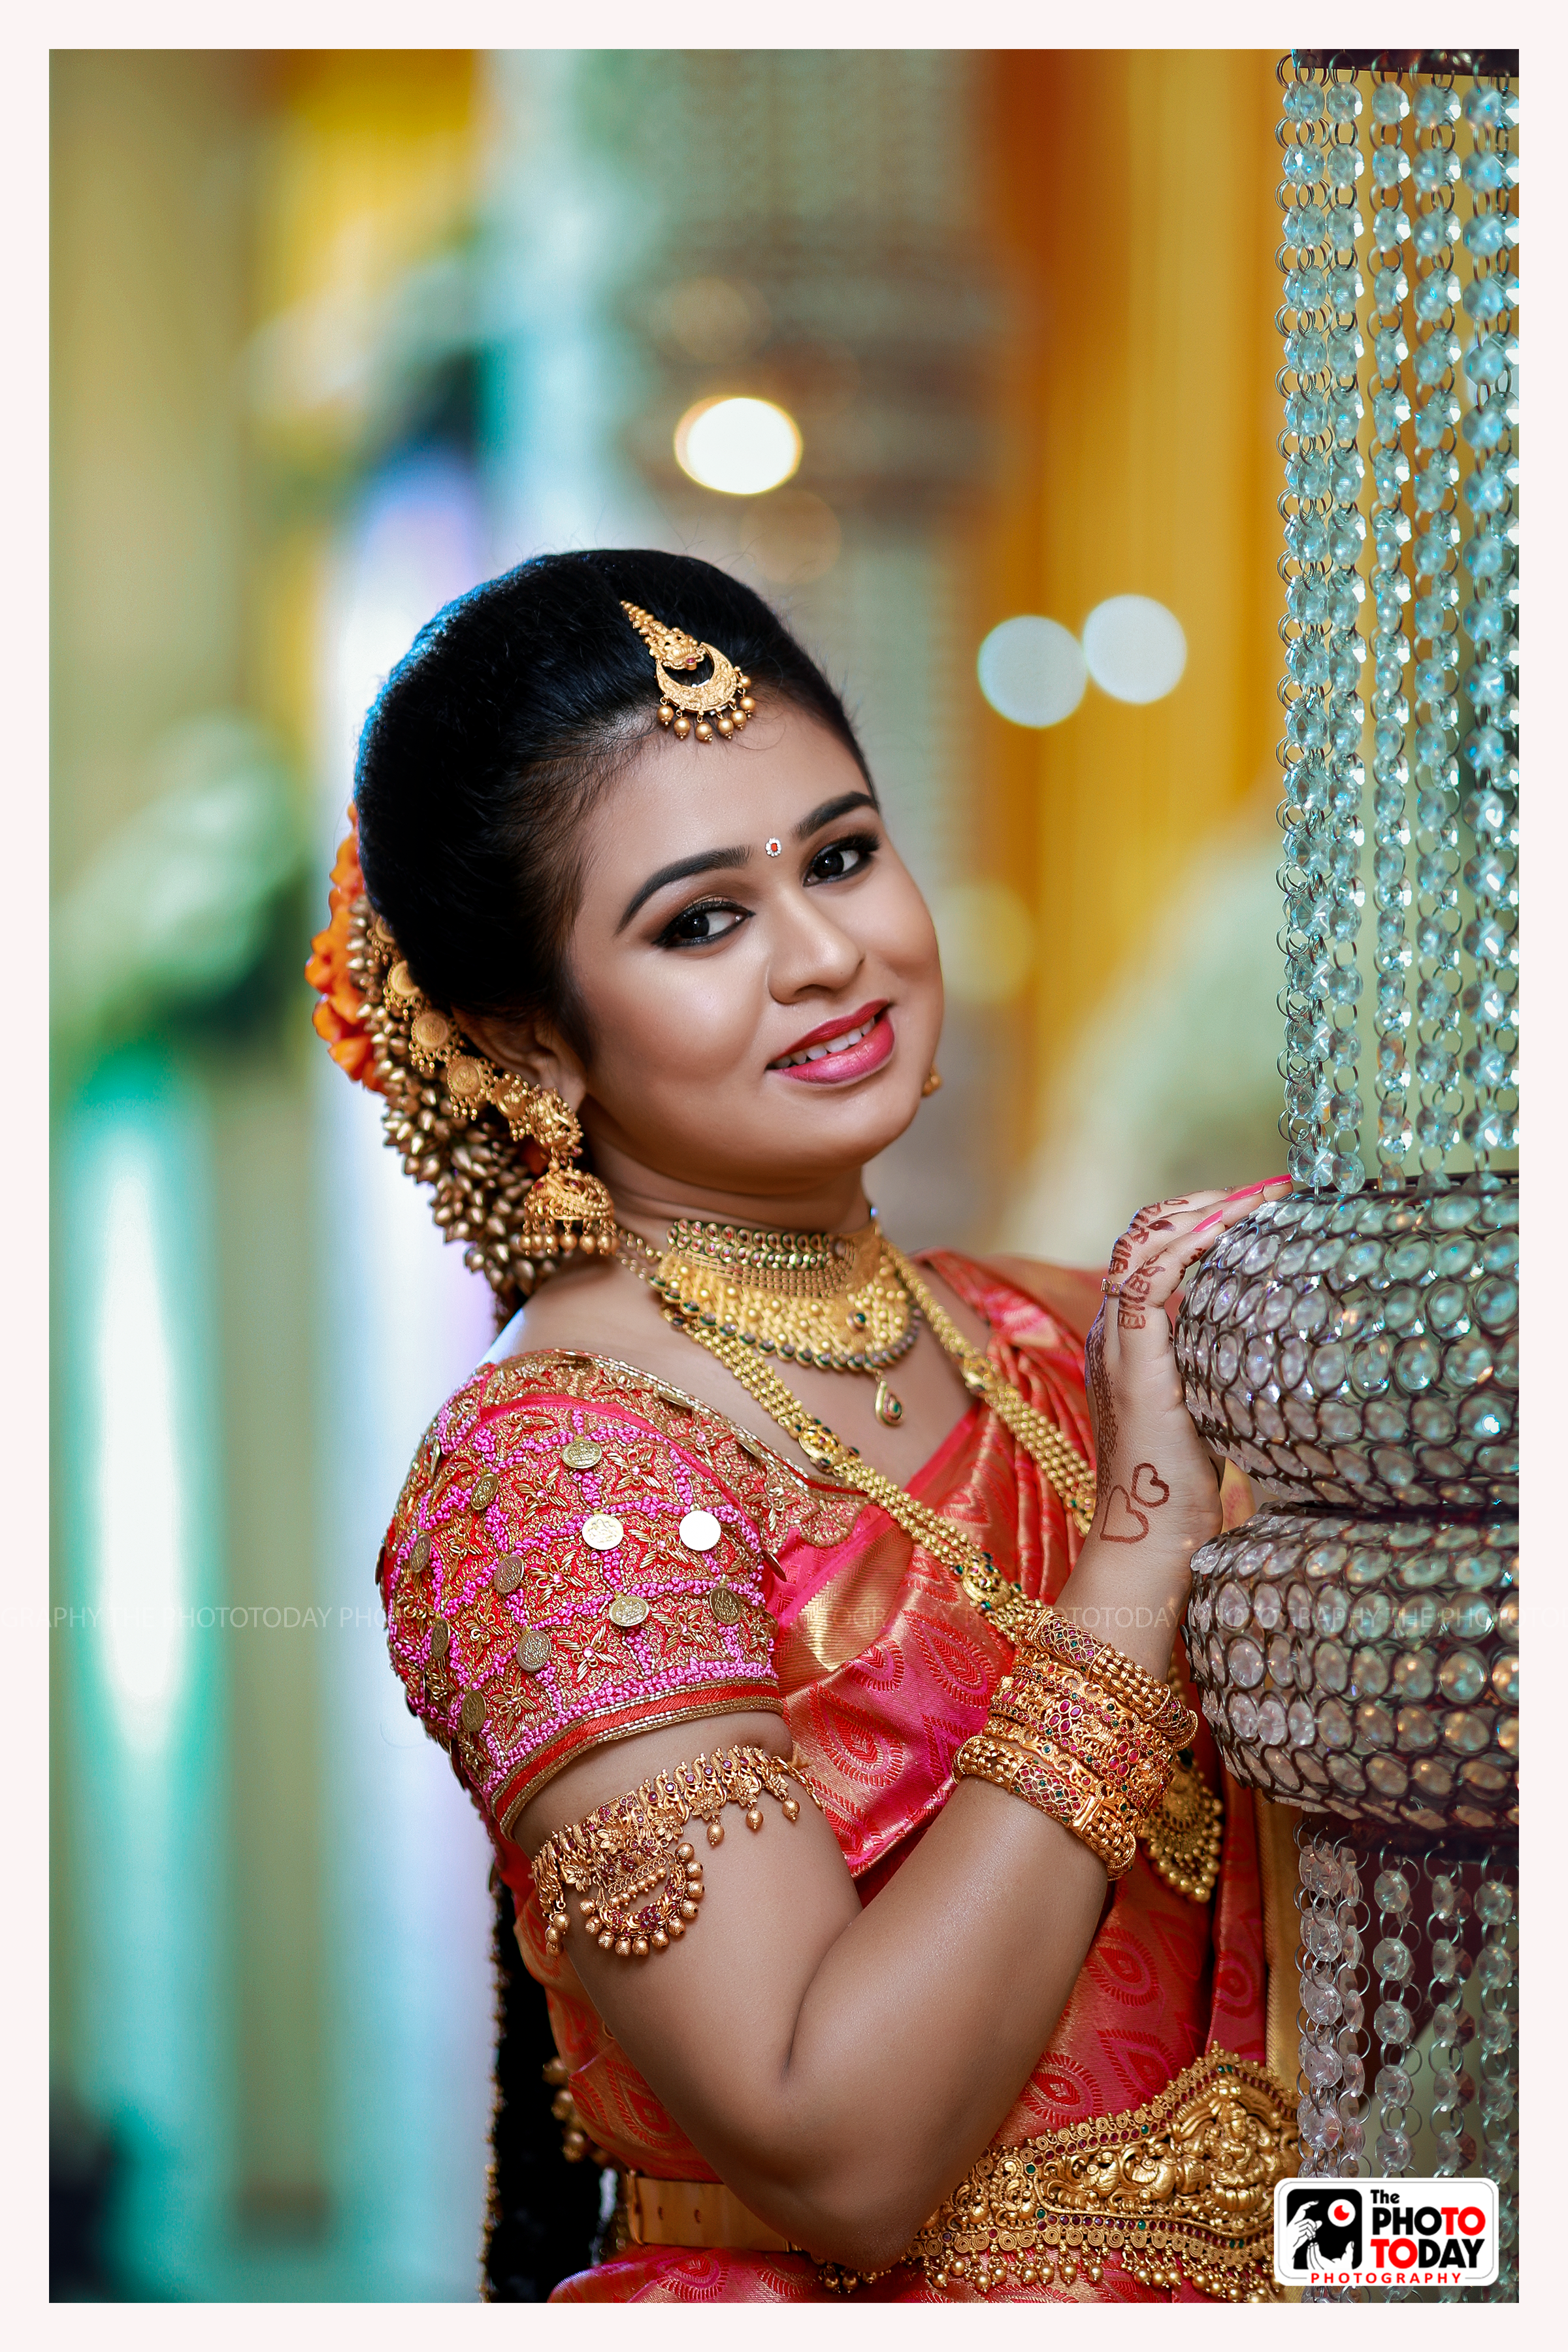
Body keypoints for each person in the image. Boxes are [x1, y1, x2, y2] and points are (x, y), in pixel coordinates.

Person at [308, 549, 1298, 2304]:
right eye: (704, 919)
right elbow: (835, 2147)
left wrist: (1459, 2268)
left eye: (841, 855)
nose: (831, 952)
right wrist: (1140, 1561)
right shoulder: (559, 1483)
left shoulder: (1062, 1334)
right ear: (529, 1047)